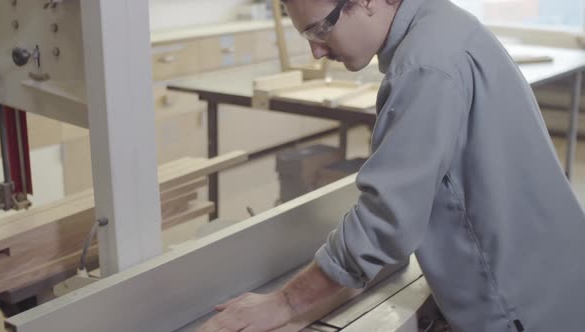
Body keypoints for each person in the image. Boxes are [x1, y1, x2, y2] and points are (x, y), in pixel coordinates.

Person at [199, 0, 585, 331]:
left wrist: (286, 303)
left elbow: (386, 221)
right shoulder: (445, 23)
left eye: (320, 29)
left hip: (523, 307)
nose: (316, 51)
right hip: (556, 278)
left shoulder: (424, 65)